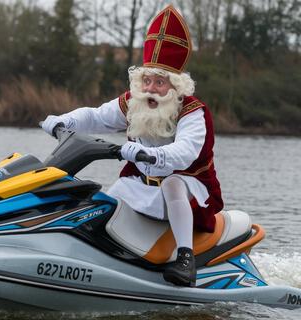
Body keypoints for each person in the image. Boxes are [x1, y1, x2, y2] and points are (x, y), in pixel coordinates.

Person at [42, 5, 223, 287]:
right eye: (147, 80)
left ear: (176, 86)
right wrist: (61, 121)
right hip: (140, 183)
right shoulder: (133, 101)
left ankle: (185, 259)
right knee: (104, 202)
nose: (151, 88)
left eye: (160, 82)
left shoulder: (193, 112)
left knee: (174, 183)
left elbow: (183, 153)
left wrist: (144, 153)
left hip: (188, 191)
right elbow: (95, 116)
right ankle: (97, 256)